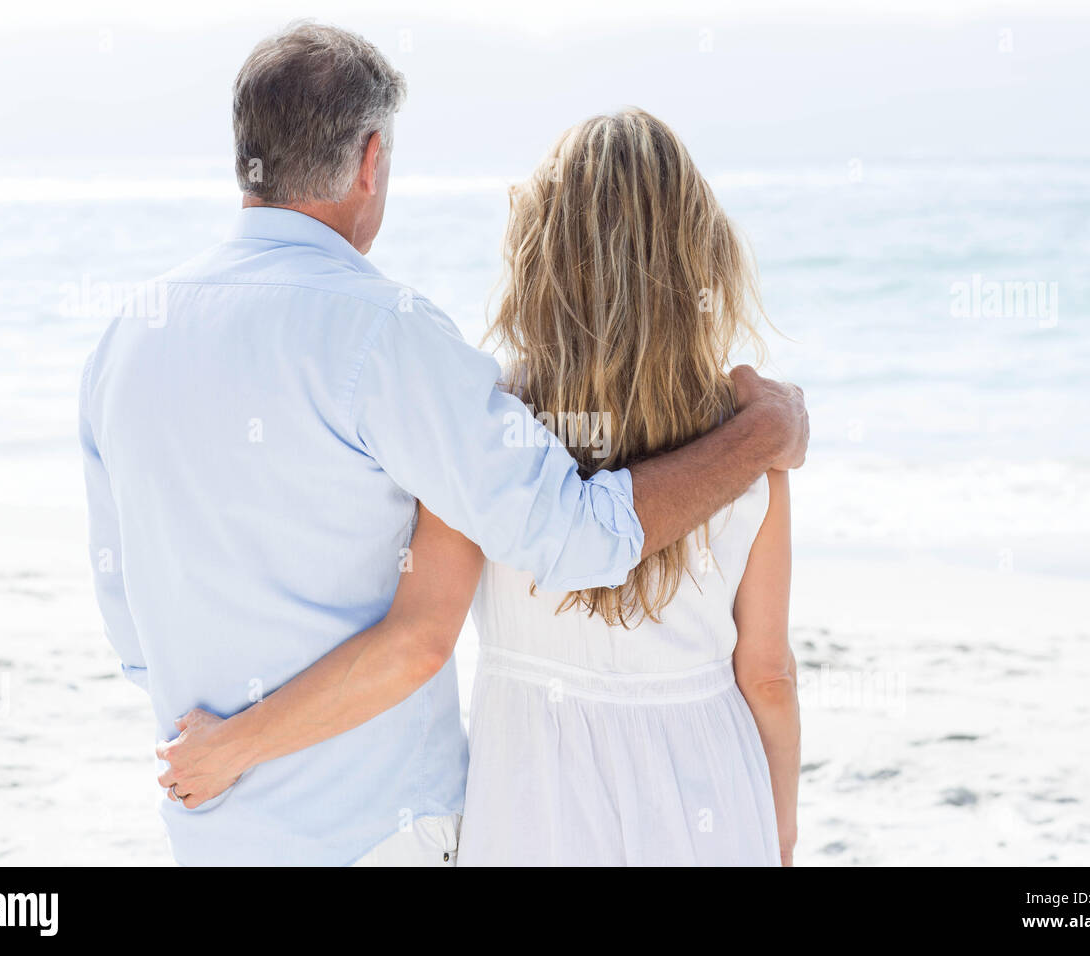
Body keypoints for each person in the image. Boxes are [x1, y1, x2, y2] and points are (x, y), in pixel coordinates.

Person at [155, 105, 800, 866]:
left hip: (535, 796)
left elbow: (421, 634)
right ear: (699, 252)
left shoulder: (491, 417)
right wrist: (779, 830)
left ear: (544, 252)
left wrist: (236, 745)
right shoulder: (745, 436)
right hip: (706, 789)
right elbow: (767, 675)